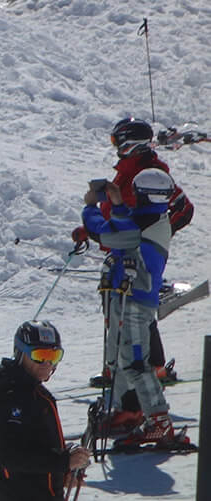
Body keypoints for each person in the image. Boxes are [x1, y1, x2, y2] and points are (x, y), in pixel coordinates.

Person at [77, 118, 193, 386]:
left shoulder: (149, 172)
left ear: (130, 142)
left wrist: (150, 239)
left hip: (134, 249)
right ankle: (118, 367)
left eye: (117, 142)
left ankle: (150, 369)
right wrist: (90, 229)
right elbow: (116, 211)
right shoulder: (130, 169)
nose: (115, 147)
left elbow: (178, 210)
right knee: (118, 305)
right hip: (122, 245)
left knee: (136, 306)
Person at [80, 167, 190, 447]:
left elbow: (107, 233)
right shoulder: (149, 218)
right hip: (125, 296)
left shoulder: (147, 225)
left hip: (136, 301)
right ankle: (125, 410)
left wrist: (92, 206)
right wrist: (112, 206)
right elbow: (120, 224)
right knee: (118, 359)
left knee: (136, 363)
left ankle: (158, 420)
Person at [0, 319, 92, 499]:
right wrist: (64, 462)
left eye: (54, 356)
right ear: (21, 354)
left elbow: (38, 446)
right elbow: (11, 457)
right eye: (40, 355)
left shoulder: (36, 393)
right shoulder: (8, 397)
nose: (47, 363)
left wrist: (63, 471)